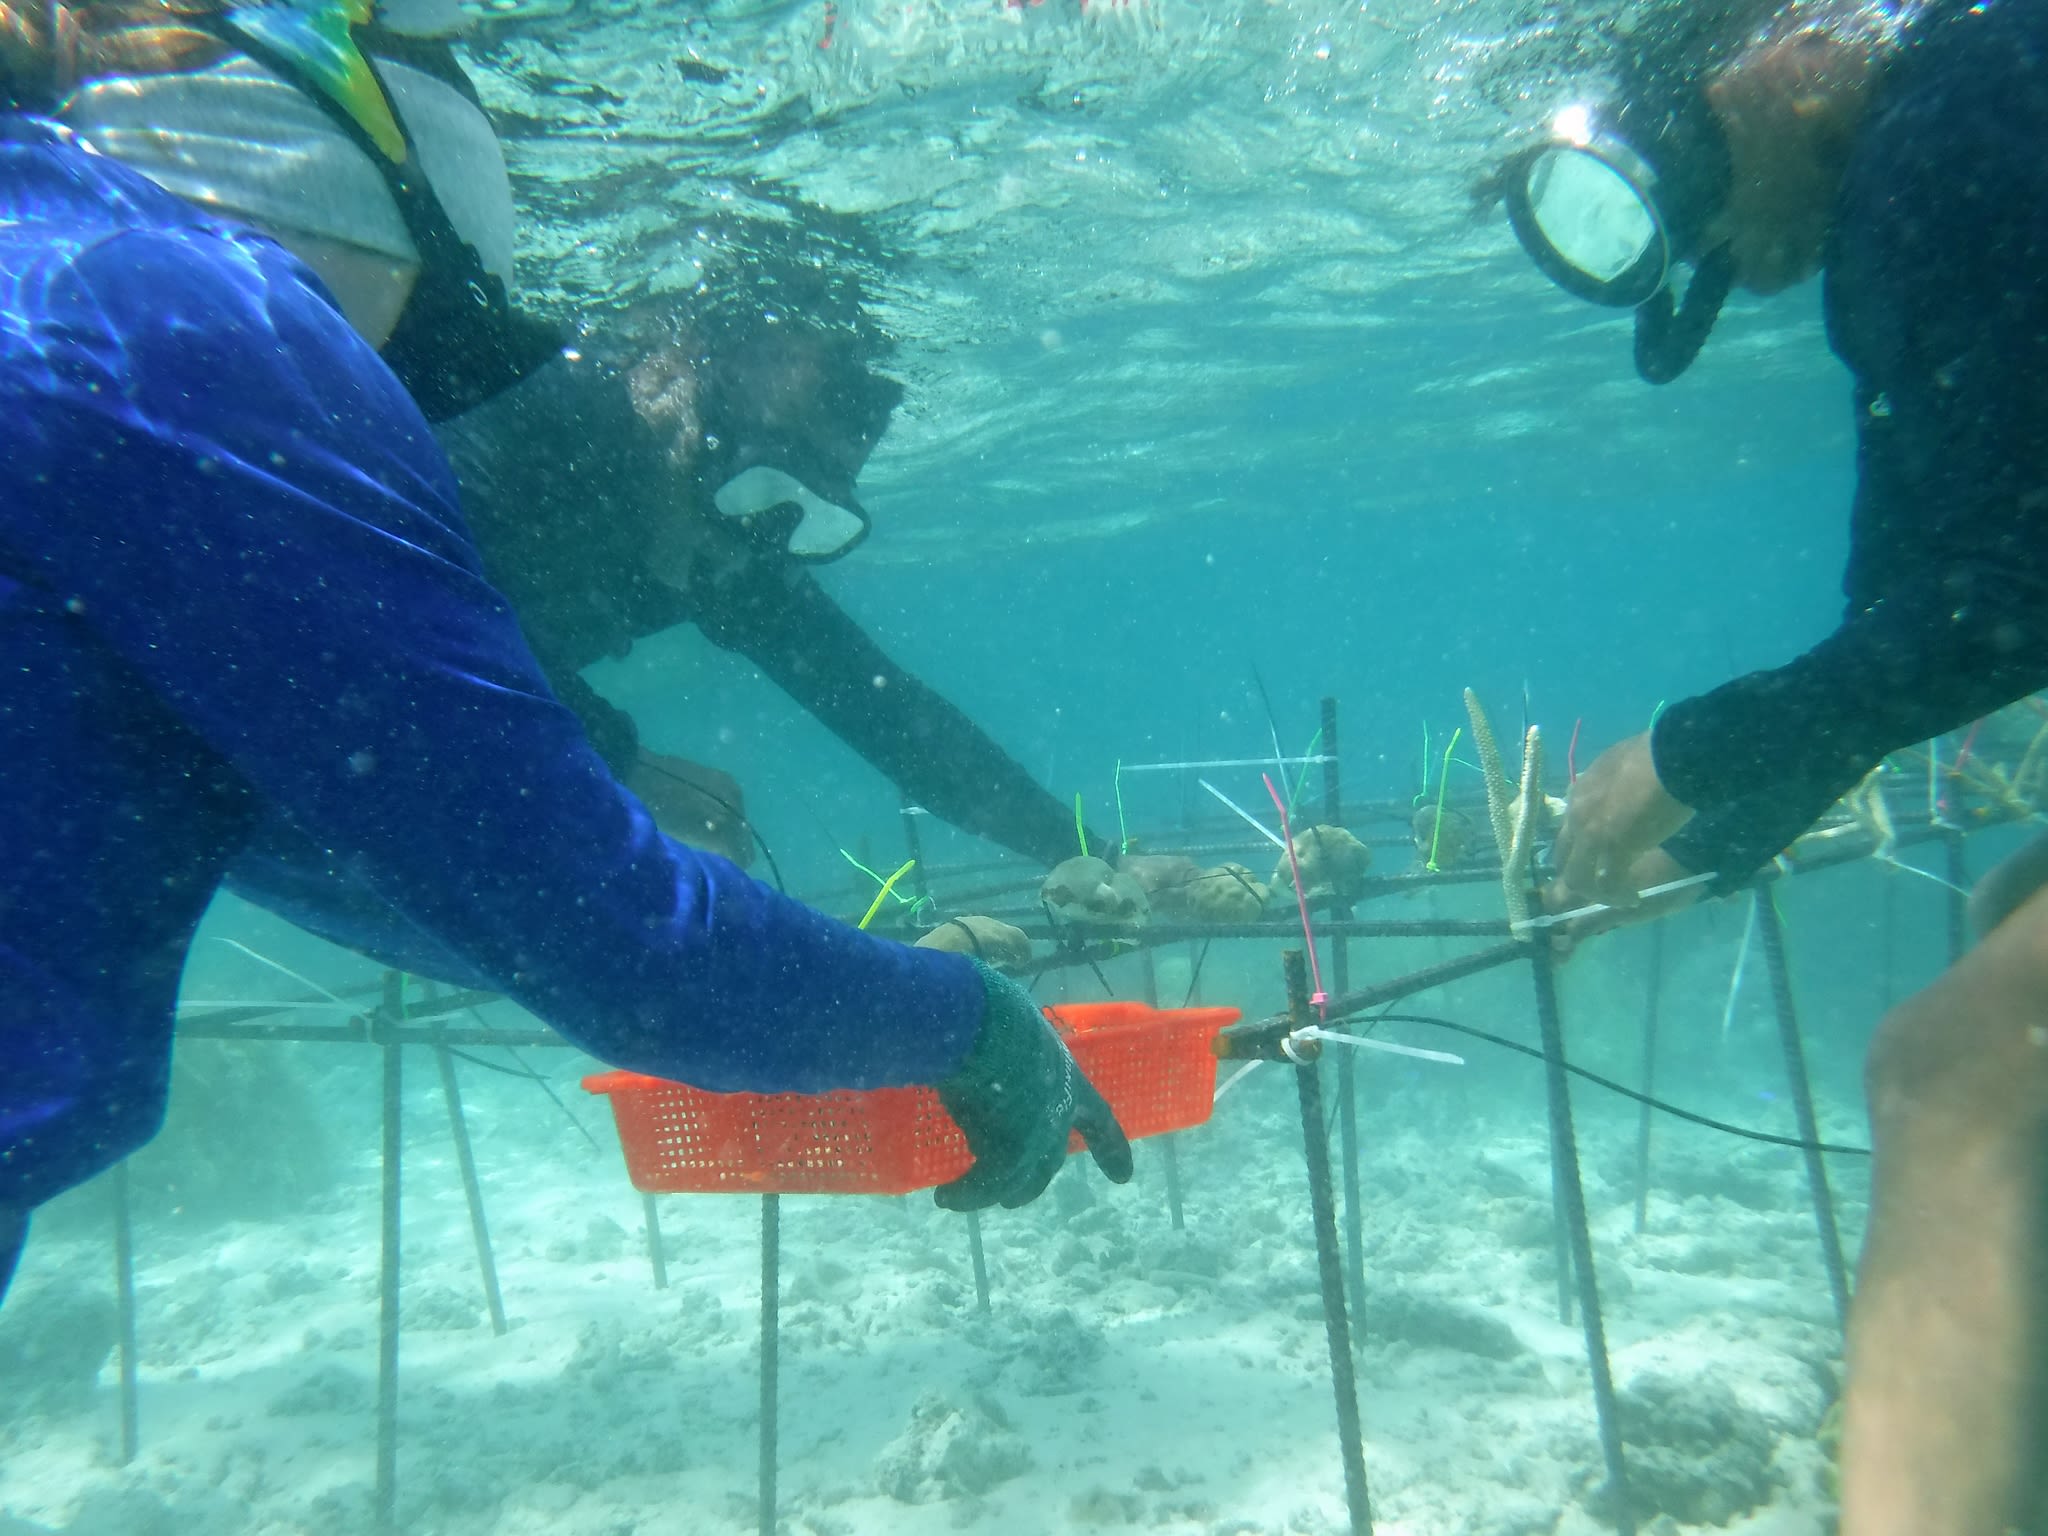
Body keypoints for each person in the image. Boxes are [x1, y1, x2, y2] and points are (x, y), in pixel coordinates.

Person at [0, 1, 1131, 1305]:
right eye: (422, 335)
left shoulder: (75, 289)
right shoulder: (194, 332)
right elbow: (622, 946)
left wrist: (1069, 853)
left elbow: (334, 822)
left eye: (804, 515)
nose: (759, 536)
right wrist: (965, 1019)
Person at [1495, 0, 2048, 1529]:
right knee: (2021, 910)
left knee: (1957, 1071)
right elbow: (1908, 613)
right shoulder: (1934, 147)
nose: (1730, 245)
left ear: (1779, 62)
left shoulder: (1953, 120)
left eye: (1698, 183)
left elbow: (2007, 604)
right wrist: (1702, 849)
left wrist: (1683, 753)